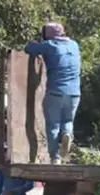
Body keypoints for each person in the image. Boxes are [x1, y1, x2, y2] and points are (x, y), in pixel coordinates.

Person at [24, 22, 81, 164]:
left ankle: (55, 158)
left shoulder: (49, 45)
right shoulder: (74, 45)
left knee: (53, 125)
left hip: (56, 91)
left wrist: (34, 42)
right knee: (67, 120)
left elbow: (29, 49)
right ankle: (67, 134)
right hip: (74, 93)